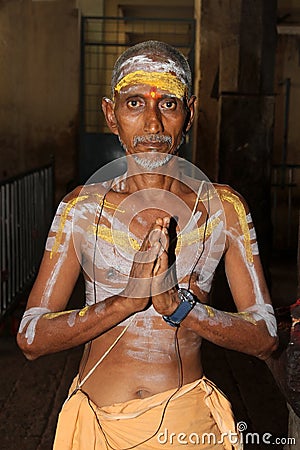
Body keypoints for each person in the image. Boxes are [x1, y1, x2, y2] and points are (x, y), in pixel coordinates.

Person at [17, 40, 278, 450]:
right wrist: (125, 301)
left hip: (185, 426)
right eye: (135, 104)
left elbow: (265, 336)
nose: (153, 126)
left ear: (189, 113)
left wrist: (179, 307)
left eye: (169, 105)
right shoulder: (82, 209)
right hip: (97, 422)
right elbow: (31, 337)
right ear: (111, 114)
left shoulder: (222, 210)